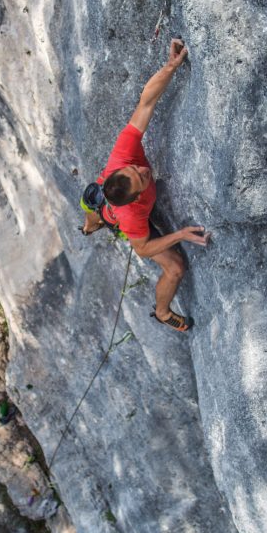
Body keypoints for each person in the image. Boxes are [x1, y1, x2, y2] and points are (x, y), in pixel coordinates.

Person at [80, 38, 210, 332]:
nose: (142, 169)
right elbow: (142, 248)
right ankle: (163, 312)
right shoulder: (131, 216)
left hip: (109, 199)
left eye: (135, 169)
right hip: (123, 220)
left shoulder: (123, 156)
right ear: (137, 197)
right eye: (142, 177)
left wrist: (170, 67)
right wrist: (180, 235)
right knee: (175, 268)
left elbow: (146, 102)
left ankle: (92, 220)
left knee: (91, 199)